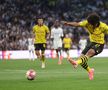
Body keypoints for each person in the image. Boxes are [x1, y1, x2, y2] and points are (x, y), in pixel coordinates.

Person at [62, 13, 108, 80]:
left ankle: (76, 62)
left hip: (100, 44)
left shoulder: (104, 26)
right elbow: (77, 24)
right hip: (91, 43)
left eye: (91, 24)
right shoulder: (87, 23)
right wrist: (68, 23)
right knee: (82, 60)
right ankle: (90, 71)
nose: (89, 25)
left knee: (90, 52)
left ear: (95, 24)